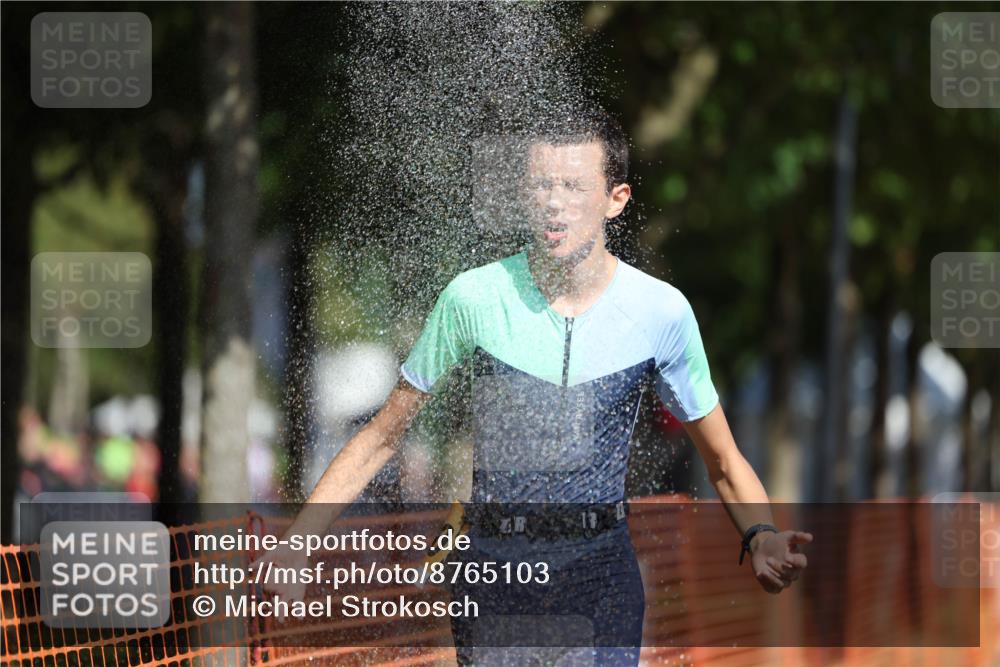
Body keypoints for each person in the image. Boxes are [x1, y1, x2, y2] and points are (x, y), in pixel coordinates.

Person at [258, 109, 812, 665]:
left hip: (602, 572)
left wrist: (761, 535)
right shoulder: (472, 299)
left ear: (615, 199)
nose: (554, 202)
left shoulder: (661, 312)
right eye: (542, 185)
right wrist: (298, 543)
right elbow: (381, 436)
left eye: (573, 187)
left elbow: (723, 460)